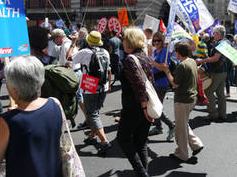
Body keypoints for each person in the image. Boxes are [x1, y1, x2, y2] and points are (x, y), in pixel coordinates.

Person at [0, 56, 63, 177]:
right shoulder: (55, 104)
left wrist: (13, 114)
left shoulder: (8, 120)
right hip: (54, 171)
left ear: (14, 90)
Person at [117, 27, 154, 177]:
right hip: (145, 105)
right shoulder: (145, 57)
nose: (122, 42)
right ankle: (144, 173)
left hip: (134, 106)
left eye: (124, 39)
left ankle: (142, 173)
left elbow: (139, 84)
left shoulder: (129, 59)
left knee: (123, 139)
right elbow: (150, 82)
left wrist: (144, 107)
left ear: (130, 41)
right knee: (141, 142)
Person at [69, 30, 112, 155]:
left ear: (88, 41)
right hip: (102, 85)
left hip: (90, 85)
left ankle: (104, 141)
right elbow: (108, 69)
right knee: (95, 111)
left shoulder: (85, 52)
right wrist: (109, 83)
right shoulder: (105, 52)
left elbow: (69, 57)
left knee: (92, 113)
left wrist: (73, 43)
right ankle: (92, 137)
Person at [162, 42, 204, 162]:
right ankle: (196, 144)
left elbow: (175, 84)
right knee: (183, 124)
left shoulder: (182, 65)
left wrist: (167, 71)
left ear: (178, 53)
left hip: (183, 99)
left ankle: (182, 154)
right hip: (191, 98)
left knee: (180, 128)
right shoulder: (192, 61)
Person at [196, 25, 228, 121]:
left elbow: (216, 58)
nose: (213, 35)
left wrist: (202, 61)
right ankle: (222, 114)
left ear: (217, 34)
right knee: (220, 93)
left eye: (214, 33)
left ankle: (213, 113)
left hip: (217, 72)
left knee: (208, 91)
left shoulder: (220, 44)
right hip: (223, 71)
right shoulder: (225, 42)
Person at [148, 32, 175, 141]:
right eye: (154, 40)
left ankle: (171, 125)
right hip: (154, 81)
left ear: (163, 41)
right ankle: (158, 127)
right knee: (153, 104)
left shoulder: (165, 51)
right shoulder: (156, 50)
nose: (156, 42)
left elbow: (163, 67)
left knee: (156, 107)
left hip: (162, 82)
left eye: (158, 40)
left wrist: (152, 61)